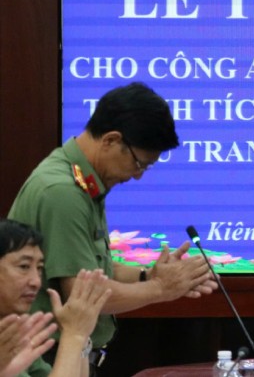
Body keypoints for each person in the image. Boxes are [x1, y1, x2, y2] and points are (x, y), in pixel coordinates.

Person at [7, 82, 217, 367]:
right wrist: (162, 289)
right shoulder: (63, 192)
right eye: (140, 163)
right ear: (110, 140)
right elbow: (85, 297)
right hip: (47, 359)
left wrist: (147, 274)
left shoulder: (84, 180)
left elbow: (94, 270)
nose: (139, 176)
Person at [0, 219, 111, 377]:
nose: (36, 282)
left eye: (39, 268)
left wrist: (81, 335)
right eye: (24, 266)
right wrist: (74, 334)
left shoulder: (15, 332)